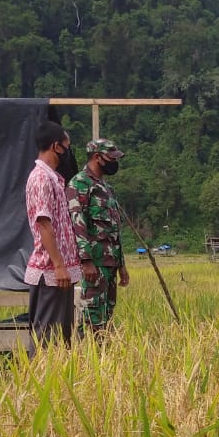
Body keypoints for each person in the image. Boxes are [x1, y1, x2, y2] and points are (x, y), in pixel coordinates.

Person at [22, 121, 82, 353]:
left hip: (60, 273)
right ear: (56, 146)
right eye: (67, 146)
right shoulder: (41, 179)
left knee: (62, 341)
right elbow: (44, 224)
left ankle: (58, 386)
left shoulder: (54, 179)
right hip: (50, 272)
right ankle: (37, 384)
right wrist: (58, 266)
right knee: (45, 341)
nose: (69, 152)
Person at [68, 138, 130, 334]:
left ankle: (103, 356)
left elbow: (114, 230)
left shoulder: (106, 188)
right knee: (92, 312)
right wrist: (86, 261)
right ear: (97, 157)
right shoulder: (80, 184)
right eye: (110, 158)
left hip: (110, 262)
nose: (114, 162)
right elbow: (78, 225)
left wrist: (122, 265)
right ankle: (87, 356)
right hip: (94, 262)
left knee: (107, 312)